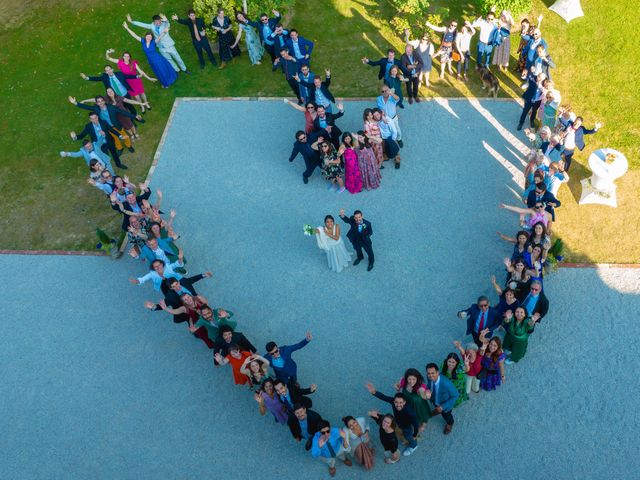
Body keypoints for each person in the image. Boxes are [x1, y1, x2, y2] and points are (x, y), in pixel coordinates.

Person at [365, 383, 419, 456]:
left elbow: (416, 423)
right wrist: (374, 392)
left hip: (406, 426)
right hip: (398, 422)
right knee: (399, 431)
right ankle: (405, 438)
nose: (398, 405)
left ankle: (414, 446)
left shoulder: (410, 411)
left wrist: (415, 434)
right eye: (396, 402)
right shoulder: (393, 402)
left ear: (405, 402)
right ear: (394, 401)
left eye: (401, 402)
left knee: (408, 436)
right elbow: (384, 397)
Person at [122, 23, 178, 88]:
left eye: (150, 37)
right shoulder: (142, 41)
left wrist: (165, 31)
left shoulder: (153, 42)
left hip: (158, 59)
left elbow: (160, 37)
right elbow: (134, 35)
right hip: (151, 60)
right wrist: (127, 28)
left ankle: (167, 82)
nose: (149, 38)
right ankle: (164, 81)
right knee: (157, 71)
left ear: (152, 38)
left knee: (162, 69)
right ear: (145, 36)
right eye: (148, 36)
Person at [424, 363, 459, 434]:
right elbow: (428, 385)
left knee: (446, 416)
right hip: (435, 400)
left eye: (433, 373)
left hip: (445, 405)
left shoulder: (446, 383)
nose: (430, 375)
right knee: (436, 407)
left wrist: (443, 407)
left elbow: (456, 395)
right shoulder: (429, 377)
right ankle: (436, 411)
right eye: (428, 373)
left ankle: (450, 423)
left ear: (438, 372)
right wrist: (427, 390)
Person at [394, 368, 431, 434]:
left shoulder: (420, 386)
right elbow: (399, 387)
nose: (411, 381)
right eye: (409, 379)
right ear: (406, 378)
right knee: (410, 414)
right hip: (408, 403)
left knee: (422, 414)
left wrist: (427, 395)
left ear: (417, 378)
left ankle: (423, 424)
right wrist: (397, 387)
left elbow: (423, 394)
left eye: (414, 379)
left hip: (418, 405)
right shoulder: (404, 381)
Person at [377, 85, 403, 149]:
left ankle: (399, 139)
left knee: (397, 131)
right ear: (381, 92)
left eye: (386, 91)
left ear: (388, 90)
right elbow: (379, 108)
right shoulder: (379, 99)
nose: (384, 92)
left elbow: (398, 98)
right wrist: (382, 116)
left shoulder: (392, 97)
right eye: (383, 91)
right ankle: (390, 142)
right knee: (388, 131)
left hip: (393, 118)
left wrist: (391, 93)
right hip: (385, 119)